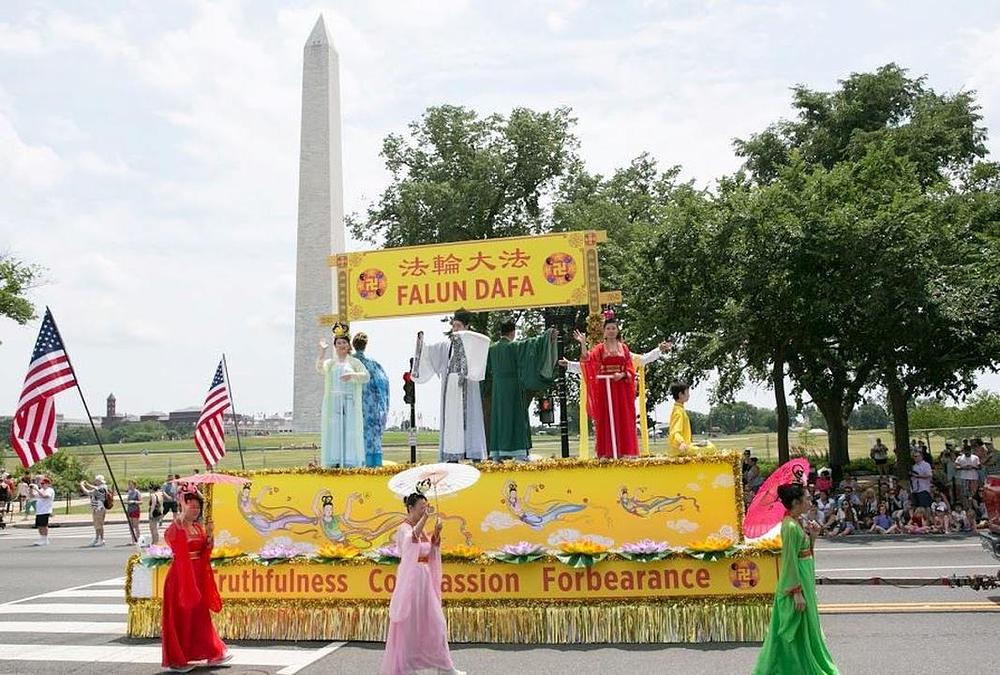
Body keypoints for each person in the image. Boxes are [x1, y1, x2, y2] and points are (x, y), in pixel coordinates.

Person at [753, 483, 838, 674]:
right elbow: (789, 560)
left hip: (804, 576)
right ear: (795, 502)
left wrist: (813, 536)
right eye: (807, 498)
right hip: (796, 581)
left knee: (807, 625)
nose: (810, 501)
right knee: (795, 627)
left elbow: (804, 552)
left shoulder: (797, 521)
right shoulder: (789, 526)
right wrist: (796, 592)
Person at [380, 492, 464, 675]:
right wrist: (425, 519)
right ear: (411, 508)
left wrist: (437, 532)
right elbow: (411, 541)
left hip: (424, 580)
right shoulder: (403, 528)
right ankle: (405, 667)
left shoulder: (422, 529)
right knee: (408, 626)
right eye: (421, 508)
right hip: (410, 581)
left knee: (437, 623)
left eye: (426, 507)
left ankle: (445, 667)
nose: (424, 511)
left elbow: (429, 549)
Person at [161, 490, 230, 672]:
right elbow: (175, 544)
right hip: (181, 578)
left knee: (200, 616)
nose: (196, 510)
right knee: (181, 617)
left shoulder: (198, 527)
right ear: (183, 506)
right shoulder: (175, 528)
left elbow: (204, 552)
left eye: (198, 507)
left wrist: (209, 536)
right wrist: (181, 522)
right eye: (192, 506)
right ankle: (178, 659)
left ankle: (210, 651)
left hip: (197, 576)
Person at [411, 309, 491, 462]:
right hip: (450, 390)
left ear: (466, 327)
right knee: (452, 422)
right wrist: (421, 344)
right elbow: (429, 354)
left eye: (459, 325)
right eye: (454, 325)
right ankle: (452, 454)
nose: (455, 329)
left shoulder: (473, 343)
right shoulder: (445, 346)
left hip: (467, 388)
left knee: (471, 419)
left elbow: (479, 364)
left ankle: (474, 454)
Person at [484, 318, 558, 461]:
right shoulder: (514, 346)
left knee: (499, 418)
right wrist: (547, 336)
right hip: (513, 386)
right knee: (516, 417)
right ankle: (518, 453)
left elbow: (485, 371)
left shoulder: (491, 349)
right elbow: (532, 344)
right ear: (513, 332)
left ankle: (496, 454)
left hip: (498, 389)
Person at [317, 322, 370, 468]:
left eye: (344, 342)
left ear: (348, 345)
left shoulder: (354, 362)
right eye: (338, 343)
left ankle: (349, 460)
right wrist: (322, 352)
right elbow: (320, 368)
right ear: (335, 346)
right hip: (334, 400)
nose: (341, 345)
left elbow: (366, 376)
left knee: (350, 429)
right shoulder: (331, 363)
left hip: (349, 400)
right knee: (335, 429)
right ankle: (335, 460)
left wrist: (352, 375)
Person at [352, 332, 390, 467]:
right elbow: (383, 385)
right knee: (372, 435)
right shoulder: (373, 364)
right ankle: (373, 463)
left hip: (354, 405)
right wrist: (383, 406)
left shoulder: (349, 362)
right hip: (371, 406)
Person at [80, 475, 110, 547]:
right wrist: (85, 485)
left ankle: (99, 539)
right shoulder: (102, 488)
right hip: (97, 508)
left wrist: (83, 485)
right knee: (98, 525)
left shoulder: (101, 488)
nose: (95, 481)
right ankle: (98, 539)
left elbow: (89, 492)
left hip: (99, 509)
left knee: (98, 524)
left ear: (99, 481)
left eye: (96, 480)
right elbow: (92, 490)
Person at [667, 382, 693, 457]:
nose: (689, 395)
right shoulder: (678, 412)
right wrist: (681, 442)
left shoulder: (680, 409)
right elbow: (675, 432)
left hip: (683, 450)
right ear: (680, 394)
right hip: (680, 452)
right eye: (687, 392)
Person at [30, 476, 55, 546]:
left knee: (44, 525)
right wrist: (31, 489)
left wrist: (37, 489)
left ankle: (45, 539)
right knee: (39, 526)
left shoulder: (50, 490)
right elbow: (32, 496)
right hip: (39, 511)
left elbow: (45, 496)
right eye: (41, 483)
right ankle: (41, 538)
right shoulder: (41, 490)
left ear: (48, 484)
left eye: (44, 483)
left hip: (45, 510)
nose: (42, 484)